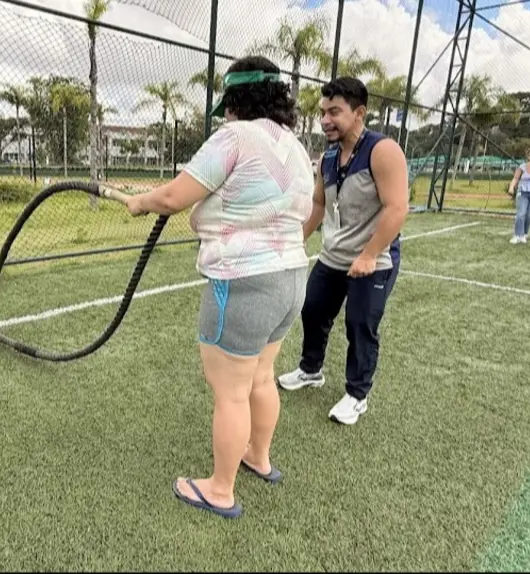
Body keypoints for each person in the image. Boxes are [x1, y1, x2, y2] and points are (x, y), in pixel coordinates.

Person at [123, 56, 314, 519]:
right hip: (291, 278)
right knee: (261, 376)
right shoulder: (295, 145)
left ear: (235, 101)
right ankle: (258, 457)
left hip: (243, 279)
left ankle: (220, 489)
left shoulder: (234, 137)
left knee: (230, 391)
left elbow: (174, 196)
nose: (226, 113)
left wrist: (141, 201)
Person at [276, 77, 409, 425]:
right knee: (313, 310)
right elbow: (319, 204)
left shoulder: (382, 151)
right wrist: (296, 240)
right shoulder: (329, 157)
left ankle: (357, 395)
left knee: (360, 324)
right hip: (333, 256)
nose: (325, 120)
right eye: (323, 112)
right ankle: (311, 370)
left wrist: (369, 254)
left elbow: (397, 208)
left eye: (334, 112)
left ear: (359, 113)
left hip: (375, 259)